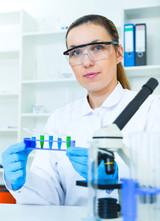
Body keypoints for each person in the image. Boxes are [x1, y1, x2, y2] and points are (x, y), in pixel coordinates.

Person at [2, 14, 160, 205]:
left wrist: (113, 181)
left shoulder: (151, 109)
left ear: (119, 53)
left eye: (98, 47)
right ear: (70, 61)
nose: (87, 62)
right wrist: (21, 181)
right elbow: (50, 198)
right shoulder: (60, 119)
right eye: (76, 52)